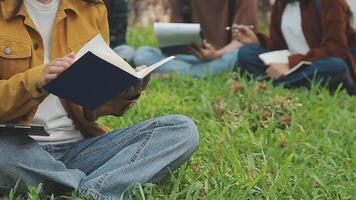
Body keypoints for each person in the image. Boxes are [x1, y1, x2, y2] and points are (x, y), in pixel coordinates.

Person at [0, 0, 199, 199]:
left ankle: (81, 191)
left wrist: (126, 89)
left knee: (181, 130)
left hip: (80, 149)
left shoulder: (91, 8)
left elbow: (92, 107)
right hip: (17, 150)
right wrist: (35, 80)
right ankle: (95, 188)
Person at [235, 0, 356, 94]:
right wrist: (257, 41)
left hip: (317, 65)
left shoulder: (330, 2)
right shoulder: (280, 4)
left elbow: (336, 50)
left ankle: (269, 84)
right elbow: (278, 47)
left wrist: (290, 64)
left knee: (335, 67)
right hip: (291, 68)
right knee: (246, 53)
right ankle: (290, 84)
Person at [133, 0, 257, 78]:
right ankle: (198, 73)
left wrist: (216, 54)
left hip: (223, 56)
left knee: (240, 55)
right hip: (190, 57)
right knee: (142, 54)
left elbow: (244, 40)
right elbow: (176, 32)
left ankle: (176, 75)